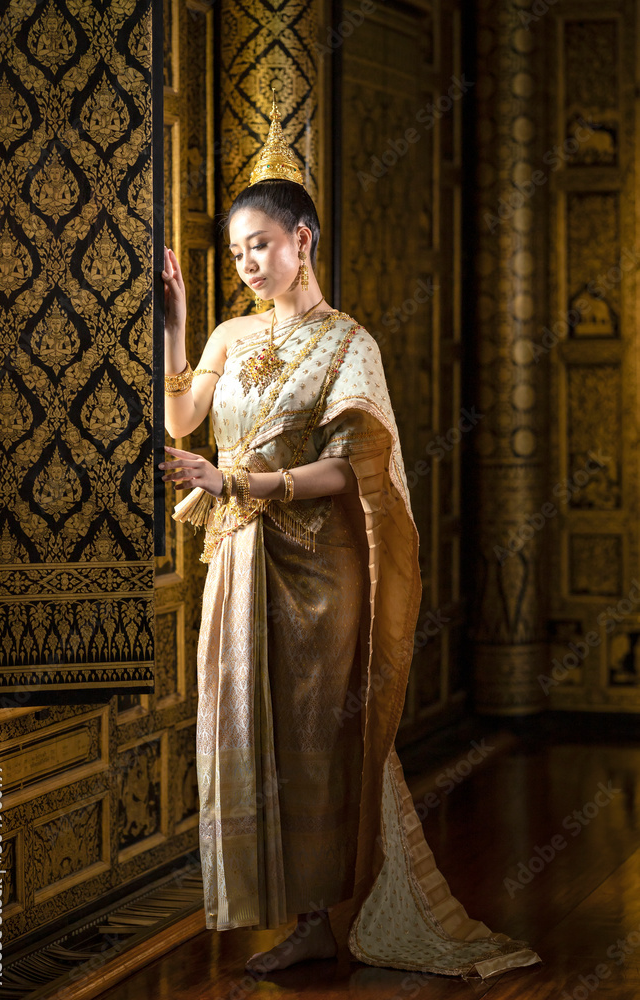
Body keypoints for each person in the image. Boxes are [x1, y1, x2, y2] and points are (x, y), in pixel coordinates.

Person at [159, 93, 540, 979]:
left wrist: (237, 481)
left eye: (262, 243)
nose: (248, 262)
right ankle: (296, 917)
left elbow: (351, 473)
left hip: (318, 572)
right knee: (244, 733)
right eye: (237, 250)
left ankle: (324, 915)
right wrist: (176, 326)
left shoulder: (347, 345)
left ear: (304, 241)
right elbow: (182, 417)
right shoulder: (225, 332)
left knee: (313, 735)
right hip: (240, 560)